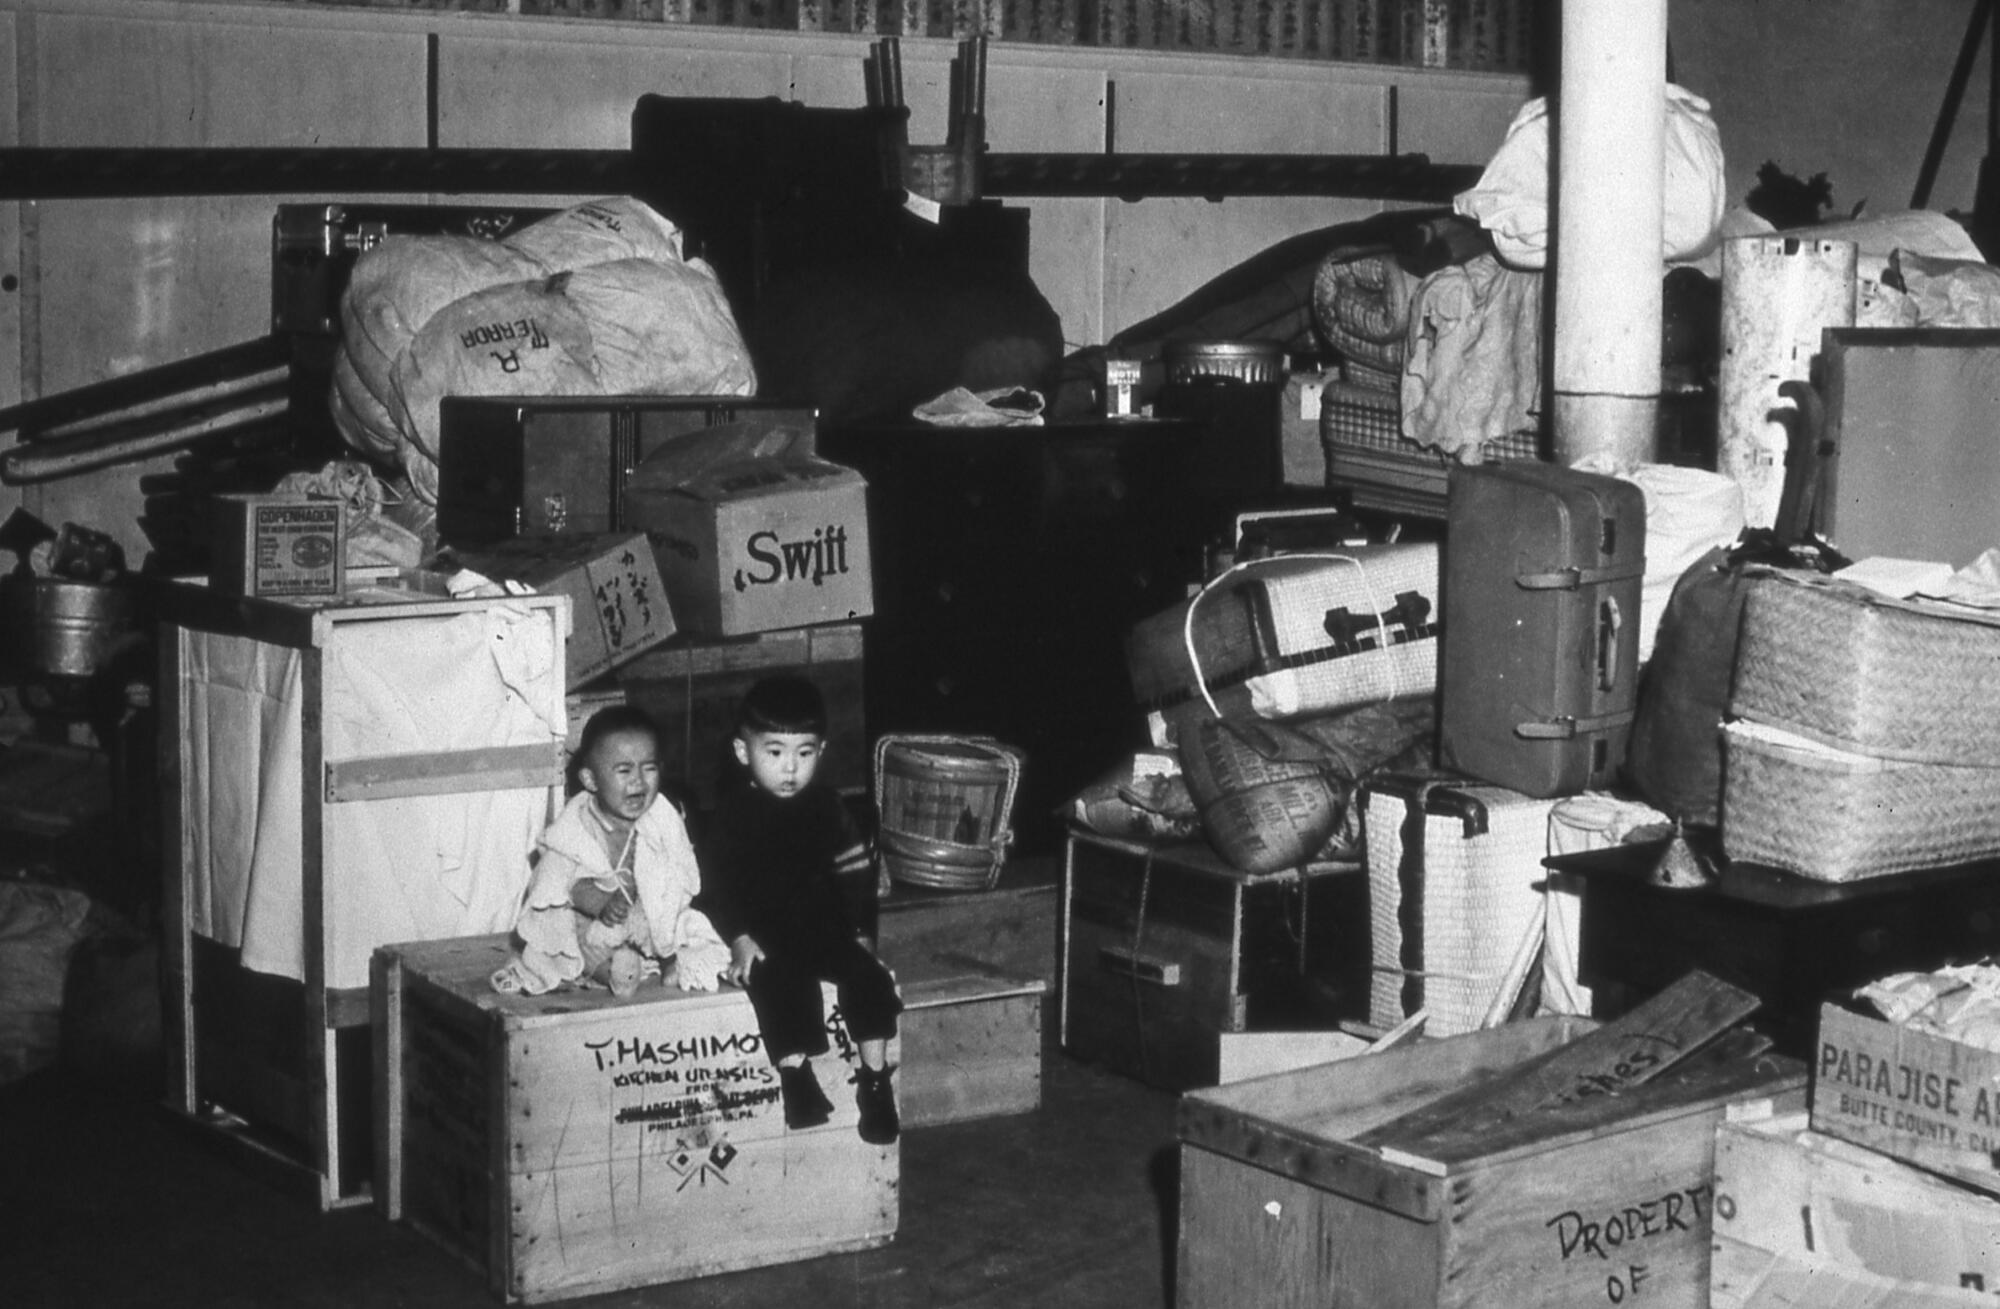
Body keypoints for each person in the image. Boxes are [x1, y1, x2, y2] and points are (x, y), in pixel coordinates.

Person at [696, 675, 902, 1145]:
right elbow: (717, 887)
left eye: (804, 753)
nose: (790, 768)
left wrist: (862, 932)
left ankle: (875, 1080)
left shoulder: (827, 807)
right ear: (743, 752)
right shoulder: (732, 815)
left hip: (824, 931)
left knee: (869, 979)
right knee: (776, 986)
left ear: (821, 750)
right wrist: (739, 936)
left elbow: (857, 876)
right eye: (775, 753)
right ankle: (796, 1079)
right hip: (767, 936)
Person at [494, 703, 729, 998]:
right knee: (573, 940)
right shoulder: (576, 828)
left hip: (643, 918)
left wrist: (660, 904)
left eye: (650, 768)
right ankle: (612, 972)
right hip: (594, 920)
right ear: (590, 780)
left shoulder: (661, 821)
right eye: (623, 770)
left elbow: (676, 873)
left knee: (685, 924)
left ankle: (668, 959)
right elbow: (560, 884)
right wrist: (599, 902)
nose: (638, 781)